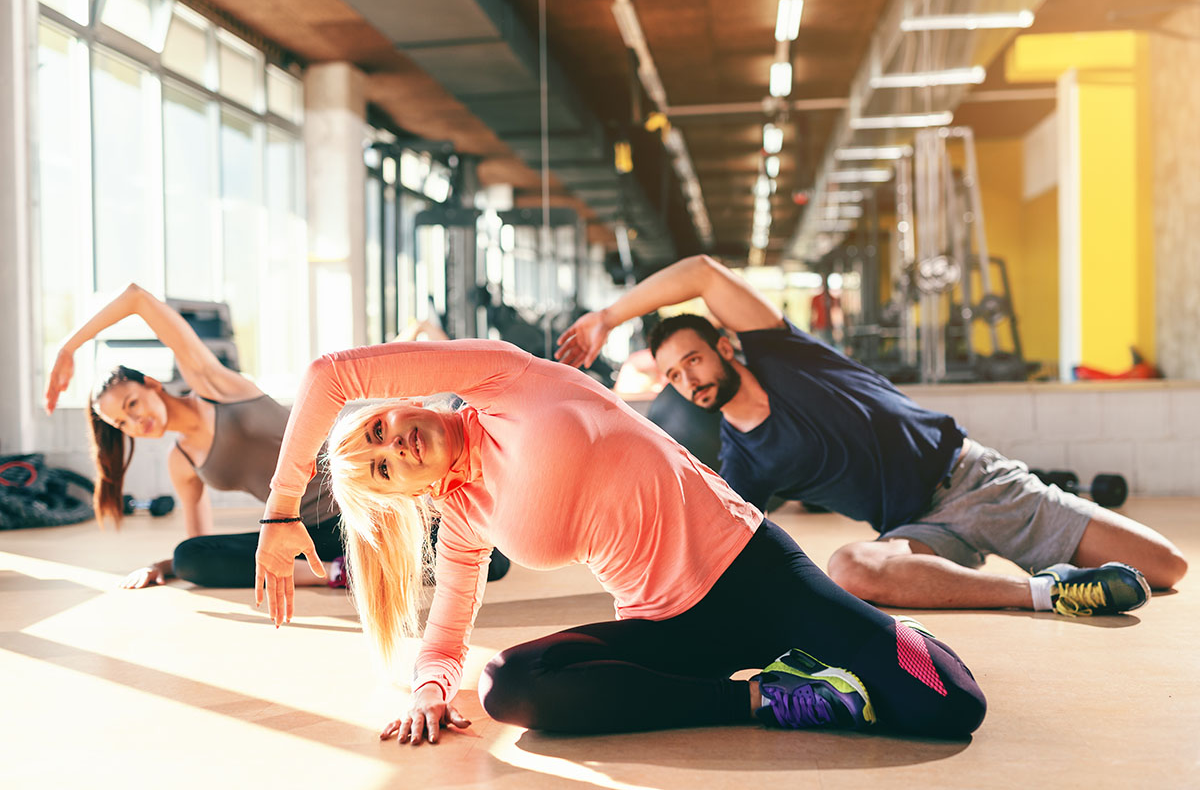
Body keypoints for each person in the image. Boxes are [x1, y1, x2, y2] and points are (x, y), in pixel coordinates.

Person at [253, 338, 985, 744]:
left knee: (950, 707)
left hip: (754, 571)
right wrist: (428, 691)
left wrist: (281, 512)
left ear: (402, 402)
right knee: (508, 686)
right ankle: (774, 699)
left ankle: (869, 636)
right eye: (382, 469)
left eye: (380, 429)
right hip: (666, 626)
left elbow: (328, 373)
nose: (396, 449)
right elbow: (445, 639)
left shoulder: (502, 377)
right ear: (405, 495)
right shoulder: (467, 516)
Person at [556, 255, 1188, 617]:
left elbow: (699, 271)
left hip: (974, 478)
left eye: (692, 360)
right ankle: (1047, 592)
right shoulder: (744, 460)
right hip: (919, 526)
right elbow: (720, 540)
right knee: (851, 566)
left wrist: (608, 318)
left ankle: (1048, 552)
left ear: (725, 346)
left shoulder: (783, 353)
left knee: (1165, 567)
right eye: (671, 375)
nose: (686, 380)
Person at [43, 283, 509, 588]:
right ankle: (339, 573)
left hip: (365, 504)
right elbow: (201, 539)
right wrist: (167, 567)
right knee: (189, 557)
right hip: (303, 538)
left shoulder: (215, 385)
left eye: (131, 405)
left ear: (152, 385)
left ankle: (355, 567)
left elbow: (138, 299)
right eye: (122, 424)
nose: (135, 422)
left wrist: (70, 346)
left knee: (497, 562)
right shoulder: (181, 463)